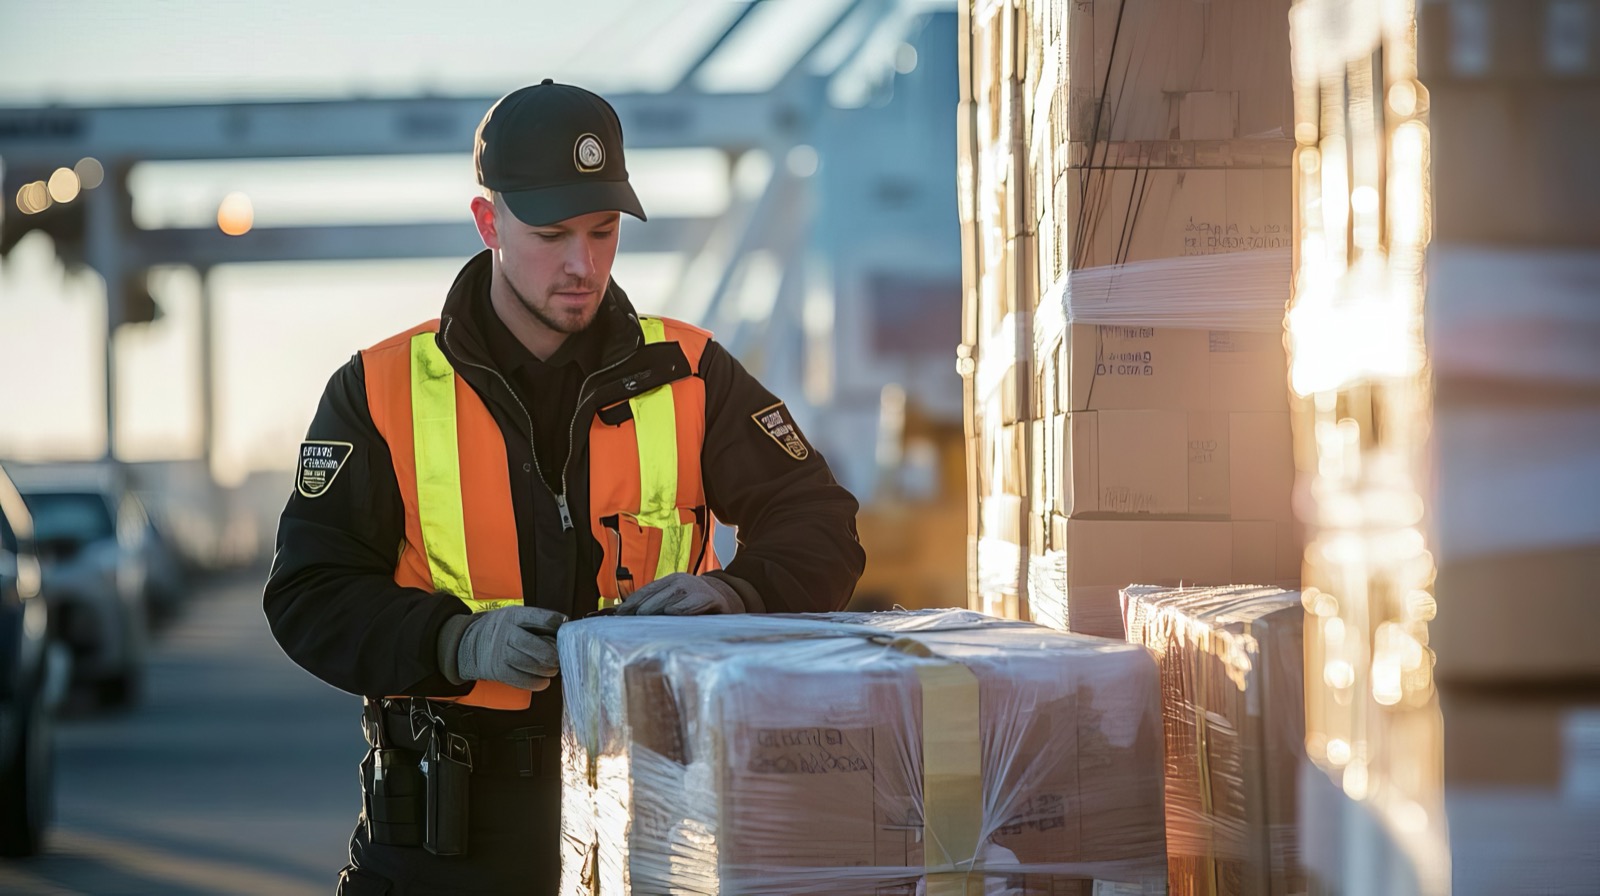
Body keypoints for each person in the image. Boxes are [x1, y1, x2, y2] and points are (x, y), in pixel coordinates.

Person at [264, 80, 865, 895]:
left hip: (651, 819)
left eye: (604, 231)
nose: (584, 265)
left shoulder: (690, 372)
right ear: (490, 225)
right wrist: (457, 642)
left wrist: (736, 593)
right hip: (447, 838)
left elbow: (819, 522)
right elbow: (309, 593)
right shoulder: (377, 390)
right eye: (552, 235)